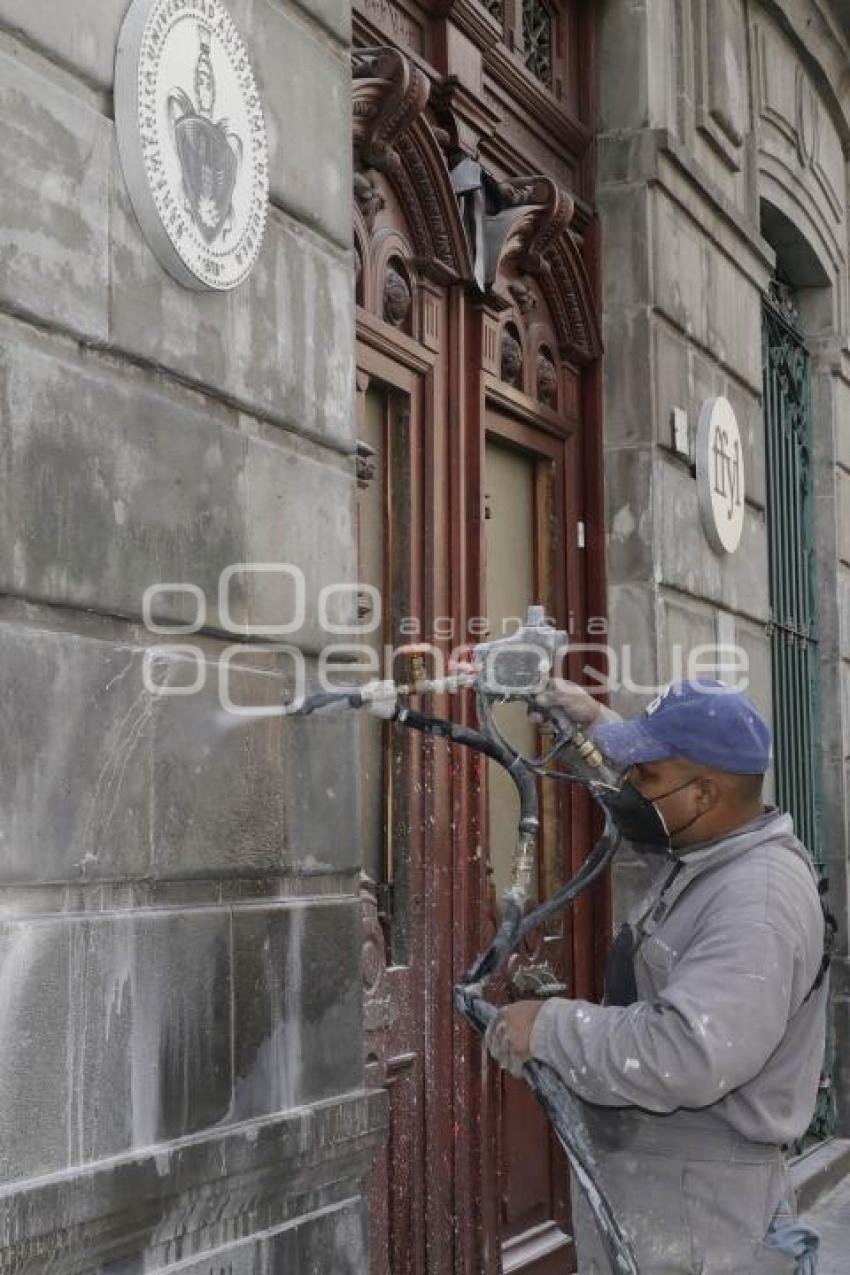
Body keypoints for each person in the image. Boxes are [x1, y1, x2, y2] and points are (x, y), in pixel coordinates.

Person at [484, 679, 828, 1274]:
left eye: (645, 776)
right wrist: (592, 726)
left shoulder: (757, 900)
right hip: (676, 1194)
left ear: (702, 794)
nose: (632, 786)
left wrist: (549, 1027)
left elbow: (688, 1053)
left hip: (703, 1218)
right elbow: (649, 803)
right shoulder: (712, 852)